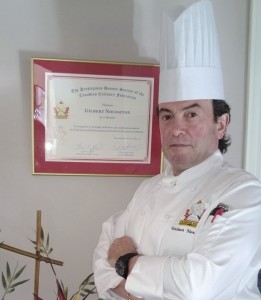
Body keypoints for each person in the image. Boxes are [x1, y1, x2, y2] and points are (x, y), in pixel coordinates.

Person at [92, 1, 261, 299]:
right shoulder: (148, 189)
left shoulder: (244, 193)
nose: (176, 129)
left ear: (221, 124)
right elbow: (104, 250)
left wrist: (126, 261)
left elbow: (197, 286)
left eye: (192, 114)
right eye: (166, 116)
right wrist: (126, 279)